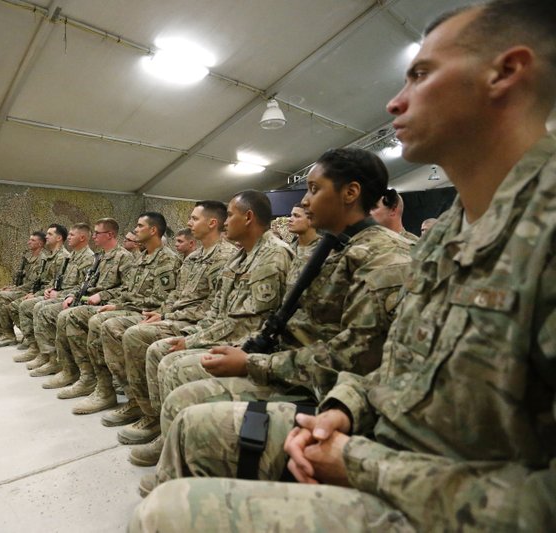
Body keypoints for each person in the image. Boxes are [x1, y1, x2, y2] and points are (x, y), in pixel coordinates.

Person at [130, 1, 556, 530]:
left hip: (441, 492)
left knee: (166, 516)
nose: (395, 102)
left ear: (506, 73)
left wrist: (361, 463)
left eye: (421, 75)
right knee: (195, 428)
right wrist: (346, 409)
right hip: (379, 437)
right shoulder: (453, 228)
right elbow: (395, 364)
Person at [138, 148, 412, 489]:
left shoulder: (383, 257)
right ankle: (183, 474)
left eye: (314, 189)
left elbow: (349, 360)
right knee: (180, 385)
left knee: (186, 401)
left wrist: (253, 364)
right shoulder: (333, 246)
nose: (306, 202)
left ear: (350, 193)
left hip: (322, 389)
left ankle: (185, 484)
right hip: (290, 365)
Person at [127, 190, 294, 465]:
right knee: (165, 353)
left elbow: (247, 324)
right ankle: (171, 435)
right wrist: (193, 335)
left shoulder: (272, 256)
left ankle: (183, 448)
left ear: (249, 217)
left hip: (250, 347)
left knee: (174, 363)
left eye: (230, 214)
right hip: (225, 334)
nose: (226, 221)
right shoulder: (240, 258)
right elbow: (217, 311)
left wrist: (192, 341)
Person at [101, 201, 236, 437]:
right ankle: (137, 401)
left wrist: (172, 316)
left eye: (194, 218)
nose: (188, 223)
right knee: (112, 326)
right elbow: (177, 294)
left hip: (194, 322)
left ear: (212, 223)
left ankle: (154, 417)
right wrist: (162, 313)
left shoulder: (226, 257)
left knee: (137, 336)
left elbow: (215, 304)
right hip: (175, 316)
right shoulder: (194, 258)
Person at [70, 212, 182, 415]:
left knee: (105, 324)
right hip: (132, 307)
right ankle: (104, 386)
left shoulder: (167, 259)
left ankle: (135, 399)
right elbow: (129, 291)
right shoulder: (142, 258)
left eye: (140, 226)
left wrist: (125, 307)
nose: (135, 230)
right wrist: (116, 304)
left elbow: (160, 300)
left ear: (153, 230)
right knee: (85, 316)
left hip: (148, 312)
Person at [44, 218, 134, 397]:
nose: (93, 237)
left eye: (97, 233)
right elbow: (86, 283)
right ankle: (76, 370)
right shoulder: (99, 257)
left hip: (107, 303)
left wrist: (102, 295)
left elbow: (128, 289)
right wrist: (72, 295)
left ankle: (91, 377)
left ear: (109, 235)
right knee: (63, 314)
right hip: (90, 299)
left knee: (70, 316)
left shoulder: (124, 257)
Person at [14, 223, 95, 368]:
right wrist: (49, 289)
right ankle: (42, 351)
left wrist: (61, 294)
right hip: (62, 294)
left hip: (72, 297)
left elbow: (85, 286)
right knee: (28, 305)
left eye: (71, 235)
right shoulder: (71, 257)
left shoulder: (88, 258)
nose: (68, 237)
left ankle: (53, 358)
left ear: (82, 237)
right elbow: (58, 280)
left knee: (41, 308)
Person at [0, 224, 69, 353]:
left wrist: (35, 293)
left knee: (22, 305)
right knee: (14, 304)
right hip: (43, 292)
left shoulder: (62, 257)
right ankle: (32, 341)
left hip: (53, 294)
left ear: (59, 238)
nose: (46, 236)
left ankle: (37, 344)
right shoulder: (52, 256)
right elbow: (42, 281)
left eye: (50, 234)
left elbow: (56, 283)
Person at [0, 232, 44, 343]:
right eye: (29, 239)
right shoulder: (29, 258)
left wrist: (15, 289)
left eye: (33, 240)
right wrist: (12, 286)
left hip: (30, 291)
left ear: (40, 243)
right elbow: (24, 279)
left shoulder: (43, 259)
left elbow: (34, 282)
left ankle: (8, 334)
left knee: (1, 296)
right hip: (21, 289)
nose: (29, 242)